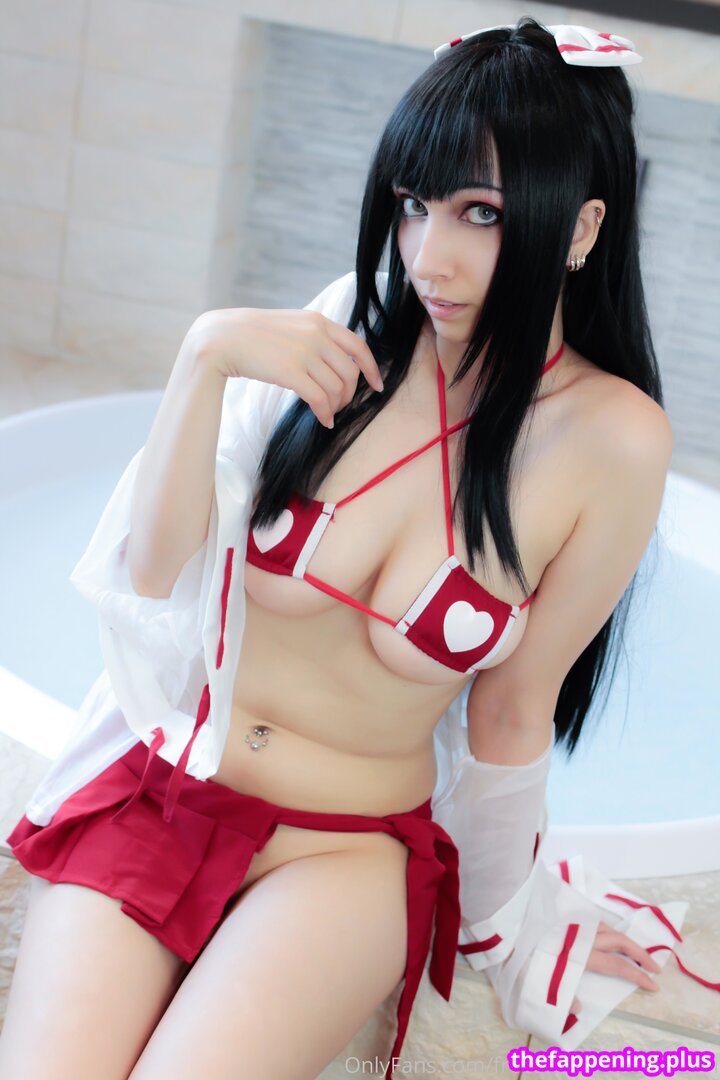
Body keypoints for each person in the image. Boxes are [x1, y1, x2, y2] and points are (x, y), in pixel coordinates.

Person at [1, 18, 714, 1080]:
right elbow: (152, 576)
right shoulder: (347, 330)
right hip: (167, 786)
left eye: (481, 213)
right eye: (415, 203)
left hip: (344, 852)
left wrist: (511, 921)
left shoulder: (612, 441)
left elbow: (512, 712)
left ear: (581, 227)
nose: (430, 256)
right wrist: (203, 357)